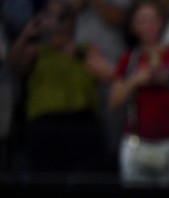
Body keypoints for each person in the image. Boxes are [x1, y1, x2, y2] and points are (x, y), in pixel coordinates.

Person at [7, 0, 114, 174]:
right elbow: (15, 66)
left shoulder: (85, 49)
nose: (56, 19)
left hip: (82, 122)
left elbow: (109, 74)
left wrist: (77, 54)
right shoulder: (37, 51)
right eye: (51, 14)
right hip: (45, 122)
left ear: (71, 20)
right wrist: (26, 34)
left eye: (61, 15)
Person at [110, 1, 169, 183]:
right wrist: (136, 80)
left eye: (152, 20)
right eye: (142, 21)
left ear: (161, 22)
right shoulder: (129, 59)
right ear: (134, 26)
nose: (148, 26)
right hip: (138, 143)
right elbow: (114, 101)